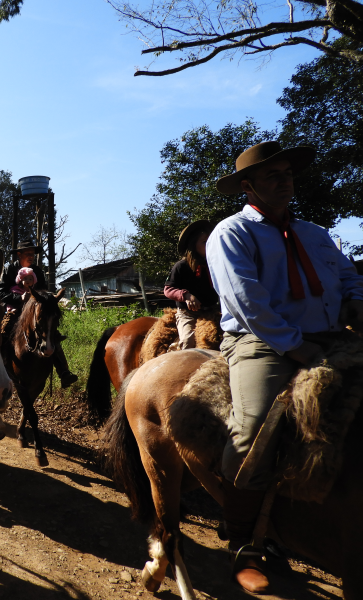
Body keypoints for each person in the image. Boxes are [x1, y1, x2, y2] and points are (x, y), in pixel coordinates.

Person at [207, 141, 363, 594]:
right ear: (248, 186)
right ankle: (241, 544)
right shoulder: (231, 233)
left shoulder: (315, 233)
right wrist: (296, 347)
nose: (285, 180)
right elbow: (247, 301)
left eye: (288, 174)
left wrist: (356, 300)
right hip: (262, 342)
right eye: (273, 175)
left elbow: (348, 275)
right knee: (252, 428)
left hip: (330, 336)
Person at [0, 241, 78, 388]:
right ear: (19, 254)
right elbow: (0, 292)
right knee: (2, 332)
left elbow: (44, 292)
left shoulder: (37, 271)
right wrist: (19, 298)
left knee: (52, 334)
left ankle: (64, 372)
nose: (32, 257)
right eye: (28, 254)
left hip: (35, 312)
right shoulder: (9, 269)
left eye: (33, 254)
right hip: (14, 310)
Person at [164, 221, 219, 349]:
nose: (209, 245)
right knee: (188, 342)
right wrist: (187, 296)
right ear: (194, 245)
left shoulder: (215, 264)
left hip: (212, 310)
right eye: (204, 242)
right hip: (189, 314)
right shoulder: (181, 266)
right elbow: (168, 289)